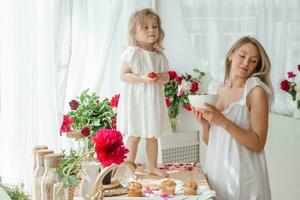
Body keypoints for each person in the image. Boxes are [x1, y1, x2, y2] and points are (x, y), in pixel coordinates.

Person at [192, 36, 273, 199]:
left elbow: (258, 143)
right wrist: (204, 125)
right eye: (242, 56)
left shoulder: (256, 92)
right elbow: (212, 140)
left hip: (244, 178)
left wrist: (222, 121)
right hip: (217, 171)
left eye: (253, 60)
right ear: (231, 55)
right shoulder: (215, 88)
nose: (245, 63)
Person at [117, 8, 170, 177]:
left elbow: (167, 76)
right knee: (134, 135)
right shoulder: (133, 53)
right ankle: (129, 166)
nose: (151, 30)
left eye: (155, 27)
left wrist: (162, 78)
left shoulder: (159, 56)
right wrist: (142, 78)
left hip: (152, 101)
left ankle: (152, 166)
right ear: (134, 32)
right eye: (145, 27)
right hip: (138, 101)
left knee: (152, 135)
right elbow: (124, 75)